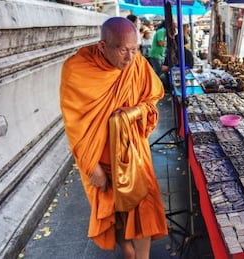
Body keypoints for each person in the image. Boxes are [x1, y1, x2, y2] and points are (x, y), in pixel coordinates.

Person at [59, 17, 167, 259]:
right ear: (102, 46)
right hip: (101, 155)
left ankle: (143, 256)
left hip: (133, 152)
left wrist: (134, 112)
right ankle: (127, 251)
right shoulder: (77, 70)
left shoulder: (137, 65)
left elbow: (153, 97)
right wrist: (90, 166)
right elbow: (74, 123)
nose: (129, 58)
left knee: (144, 206)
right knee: (113, 210)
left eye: (134, 49)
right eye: (122, 50)